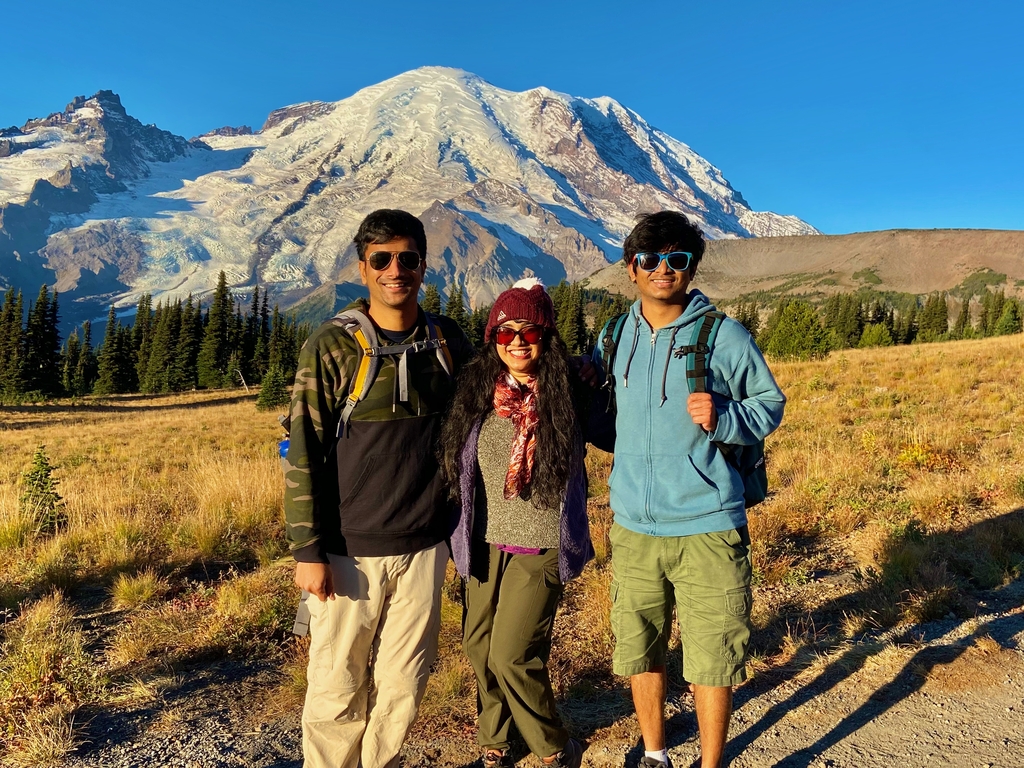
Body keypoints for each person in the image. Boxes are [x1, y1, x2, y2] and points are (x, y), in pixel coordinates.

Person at [594, 212, 786, 768]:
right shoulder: (615, 336)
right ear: (631, 267)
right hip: (633, 524)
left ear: (691, 267)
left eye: (677, 260)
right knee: (640, 648)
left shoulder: (722, 335)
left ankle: (711, 762)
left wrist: (724, 416)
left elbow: (769, 403)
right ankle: (655, 754)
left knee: (713, 656)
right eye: (650, 259)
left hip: (708, 523)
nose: (663, 270)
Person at [283, 209, 474, 768]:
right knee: (335, 689)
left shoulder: (446, 340)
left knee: (402, 686)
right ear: (362, 268)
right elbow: (303, 454)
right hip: (348, 551)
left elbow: (503, 386)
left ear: (423, 264)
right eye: (382, 260)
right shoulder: (333, 346)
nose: (397, 271)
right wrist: (307, 551)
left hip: (423, 547)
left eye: (408, 259)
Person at [440, 278, 594, 768]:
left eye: (529, 331)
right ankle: (497, 738)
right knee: (479, 648)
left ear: (546, 336)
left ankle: (553, 745)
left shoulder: (570, 390)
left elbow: (624, 422)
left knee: (512, 654)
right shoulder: (476, 393)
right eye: (506, 334)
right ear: (493, 340)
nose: (518, 342)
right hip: (484, 544)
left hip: (541, 543)